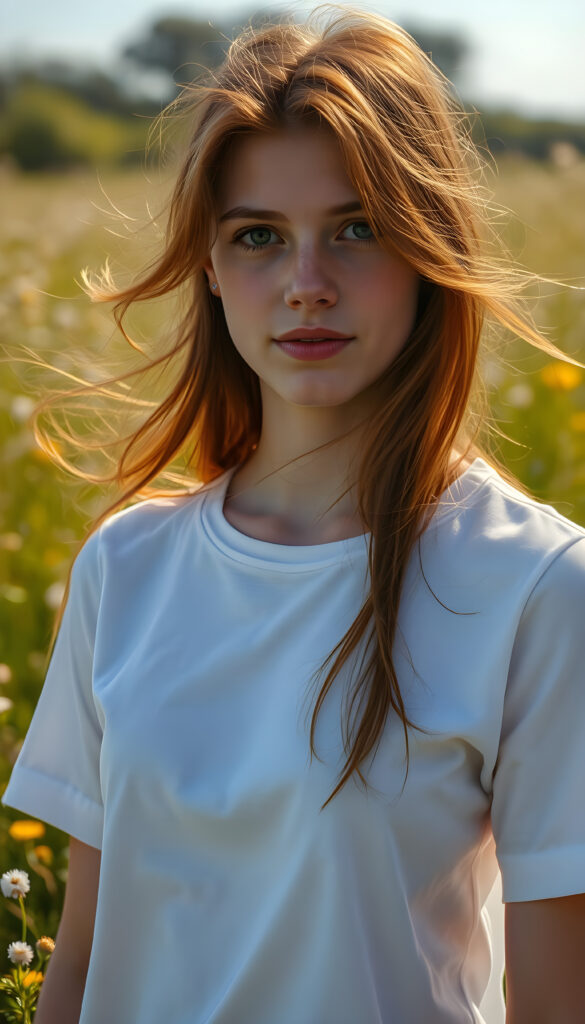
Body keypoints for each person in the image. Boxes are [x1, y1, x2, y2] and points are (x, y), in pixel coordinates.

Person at [3, 6, 585, 1023]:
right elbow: (85, 957)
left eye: (357, 230)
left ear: (427, 250)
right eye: (259, 237)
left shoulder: (533, 584)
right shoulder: (124, 565)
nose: (306, 285)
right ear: (210, 268)